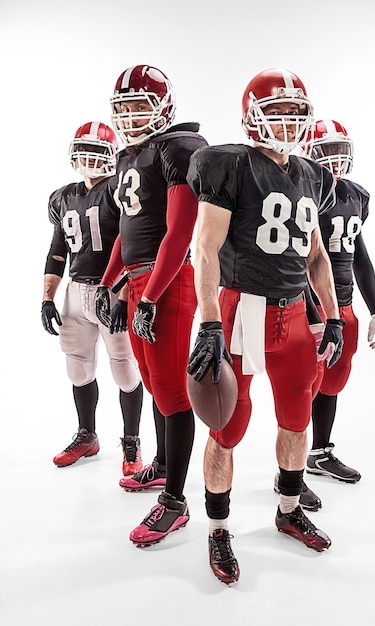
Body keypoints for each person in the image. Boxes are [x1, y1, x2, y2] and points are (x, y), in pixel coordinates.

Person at [186, 68, 344, 585]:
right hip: (242, 309)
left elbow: (317, 255)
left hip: (295, 312)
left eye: (296, 113)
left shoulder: (311, 174)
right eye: (277, 112)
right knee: (227, 425)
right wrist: (209, 321)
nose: (288, 121)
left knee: (297, 417)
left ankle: (288, 505)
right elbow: (204, 247)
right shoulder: (229, 163)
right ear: (252, 115)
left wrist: (335, 314)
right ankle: (218, 527)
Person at [94, 64, 208, 547]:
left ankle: (177, 503)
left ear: (164, 105)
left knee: (170, 390)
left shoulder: (181, 147)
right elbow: (127, 231)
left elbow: (180, 234)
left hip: (170, 279)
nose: (132, 117)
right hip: (141, 280)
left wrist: (153, 293)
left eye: (141, 106)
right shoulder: (129, 157)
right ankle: (162, 466)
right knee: (151, 379)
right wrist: (109, 282)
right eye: (125, 109)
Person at [41, 121, 144, 477]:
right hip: (75, 291)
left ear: (111, 157)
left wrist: (124, 295)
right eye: (82, 150)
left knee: (125, 368)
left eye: (96, 151)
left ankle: (131, 441)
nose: (88, 158)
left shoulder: (120, 190)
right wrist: (47, 298)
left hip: (113, 287)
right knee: (78, 366)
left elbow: (134, 245)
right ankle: (87, 435)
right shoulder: (63, 196)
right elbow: (57, 253)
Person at [300, 119, 375, 483]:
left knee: (332, 381)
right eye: (327, 151)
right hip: (311, 308)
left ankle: (320, 453)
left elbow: (360, 257)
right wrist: (311, 312)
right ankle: (289, 471)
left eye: (340, 151)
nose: (335, 161)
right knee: (301, 386)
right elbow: (295, 260)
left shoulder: (355, 195)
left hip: (345, 306)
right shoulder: (302, 194)